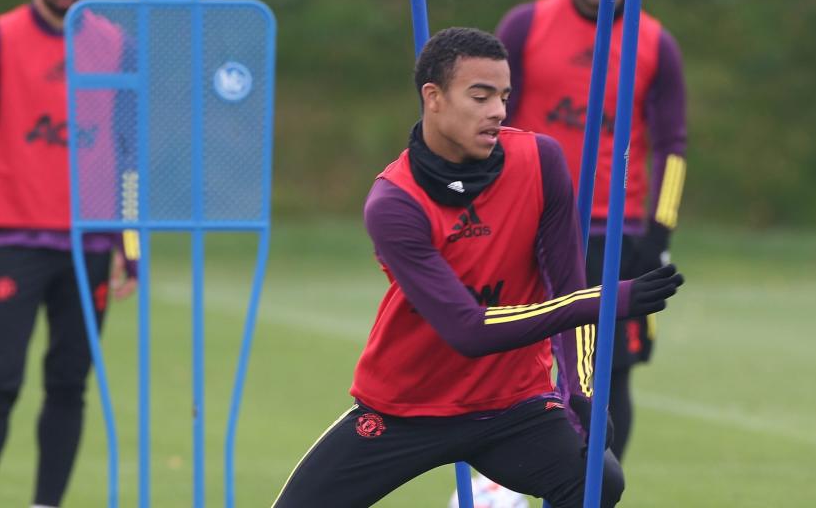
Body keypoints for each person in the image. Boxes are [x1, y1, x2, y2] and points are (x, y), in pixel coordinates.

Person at [272, 27, 683, 508]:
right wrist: (607, 300)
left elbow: (566, 287)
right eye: (481, 96)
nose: (498, 111)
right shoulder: (394, 202)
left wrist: (582, 392)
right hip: (409, 405)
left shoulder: (540, 160)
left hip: (514, 405)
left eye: (504, 96)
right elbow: (467, 328)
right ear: (434, 98)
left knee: (598, 483)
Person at [0, 0, 136, 508]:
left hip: (91, 245)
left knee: (68, 385)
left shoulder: (116, 43)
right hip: (19, 240)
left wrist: (131, 247)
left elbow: (129, 156)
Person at [495, 0, 687, 462]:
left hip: (617, 232)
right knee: (520, 367)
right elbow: (494, 121)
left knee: (609, 377)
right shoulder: (525, 26)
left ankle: (596, 491)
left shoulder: (655, 42)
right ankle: (504, 487)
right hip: (534, 223)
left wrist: (658, 231)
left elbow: (673, 145)